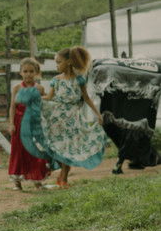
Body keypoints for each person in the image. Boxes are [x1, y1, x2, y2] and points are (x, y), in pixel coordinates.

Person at [15, 46, 106, 189]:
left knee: (69, 148)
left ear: (69, 62)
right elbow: (49, 97)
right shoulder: (56, 80)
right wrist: (34, 97)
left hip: (73, 119)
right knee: (60, 148)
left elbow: (87, 98)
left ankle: (63, 178)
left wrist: (97, 114)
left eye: (59, 62)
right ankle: (62, 178)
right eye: (56, 63)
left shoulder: (79, 80)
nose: (57, 65)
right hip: (57, 118)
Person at [7, 58, 51, 190]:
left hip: (34, 124)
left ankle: (37, 180)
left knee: (36, 150)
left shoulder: (40, 88)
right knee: (18, 151)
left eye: (31, 71)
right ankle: (17, 182)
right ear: (20, 72)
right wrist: (11, 124)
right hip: (19, 123)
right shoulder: (17, 88)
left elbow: (44, 106)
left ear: (36, 72)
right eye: (25, 71)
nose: (28, 74)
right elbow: (12, 107)